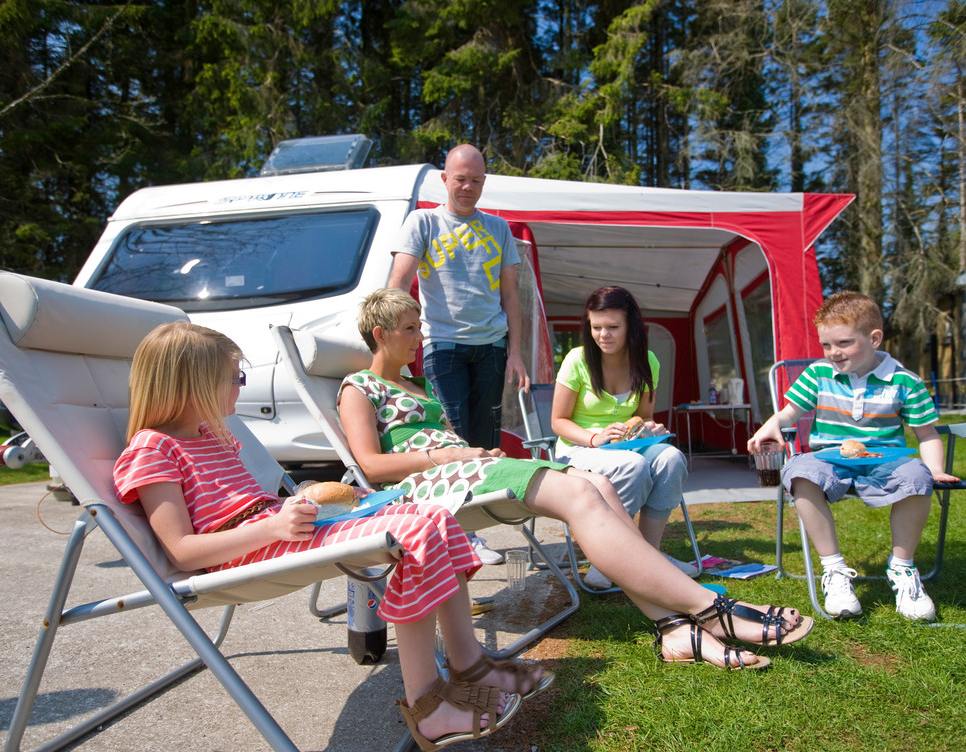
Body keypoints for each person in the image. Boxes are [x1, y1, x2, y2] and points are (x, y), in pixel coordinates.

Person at [112, 321, 552, 752]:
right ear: (193, 385)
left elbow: (253, 502)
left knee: (433, 515)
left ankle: (468, 664)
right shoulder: (154, 449)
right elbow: (182, 552)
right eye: (233, 378)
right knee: (415, 531)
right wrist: (271, 526)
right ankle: (428, 705)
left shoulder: (212, 435)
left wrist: (326, 502)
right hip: (245, 549)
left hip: (276, 528)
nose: (240, 386)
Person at [338, 288, 816, 671]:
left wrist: (464, 452)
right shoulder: (359, 387)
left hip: (464, 468)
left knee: (600, 487)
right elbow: (370, 466)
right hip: (433, 485)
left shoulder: (416, 387)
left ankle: (675, 629)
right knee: (582, 490)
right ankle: (712, 608)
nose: (420, 337)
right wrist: (448, 453)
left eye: (419, 327)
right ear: (380, 334)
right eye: (409, 329)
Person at [746, 291, 959, 621]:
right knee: (799, 470)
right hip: (830, 459)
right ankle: (834, 570)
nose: (833, 353)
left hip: (887, 459)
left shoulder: (905, 382)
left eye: (843, 343)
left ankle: (903, 569)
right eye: (827, 345)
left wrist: (934, 469)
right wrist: (770, 427)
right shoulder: (819, 374)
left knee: (919, 476)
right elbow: (789, 413)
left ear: (874, 338)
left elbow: (927, 434)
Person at [388, 143, 527, 566]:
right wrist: (391, 344)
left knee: (484, 442)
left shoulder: (499, 228)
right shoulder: (423, 221)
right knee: (452, 438)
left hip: (492, 347)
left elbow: (510, 295)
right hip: (443, 345)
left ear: (485, 182)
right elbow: (399, 281)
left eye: (476, 180)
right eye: (461, 179)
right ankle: (453, 533)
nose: (468, 187)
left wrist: (516, 353)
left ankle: (472, 533)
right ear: (445, 179)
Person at [549, 286, 696, 591]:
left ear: (631, 326)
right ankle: (609, 559)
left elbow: (642, 414)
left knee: (670, 458)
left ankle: (648, 556)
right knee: (633, 466)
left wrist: (644, 429)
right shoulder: (577, 360)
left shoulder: (648, 361)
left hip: (624, 445)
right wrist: (595, 438)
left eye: (613, 327)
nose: (603, 335)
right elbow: (558, 422)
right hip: (579, 447)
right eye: (596, 327)